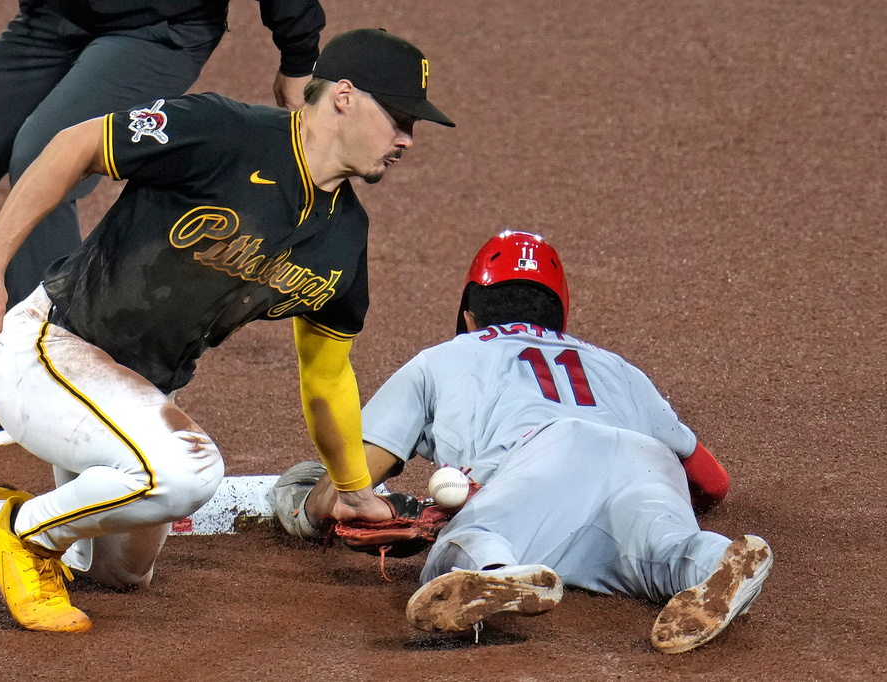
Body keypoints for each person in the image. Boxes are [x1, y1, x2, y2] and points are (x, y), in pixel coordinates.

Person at [0, 27, 455, 633]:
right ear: (343, 96)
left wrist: (355, 489)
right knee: (187, 473)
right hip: (50, 350)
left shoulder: (343, 238)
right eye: (399, 119)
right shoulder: (225, 131)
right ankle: (18, 534)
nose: (406, 140)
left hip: (138, 396)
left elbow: (326, 374)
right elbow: (74, 145)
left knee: (121, 574)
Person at [275, 230, 773, 654]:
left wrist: (307, 506)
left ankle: (496, 569)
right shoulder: (617, 366)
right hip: (646, 461)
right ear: (560, 313)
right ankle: (712, 559)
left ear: (469, 312)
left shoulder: (443, 358)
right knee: (667, 553)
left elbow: (354, 478)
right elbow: (712, 482)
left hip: (542, 462)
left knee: (463, 543)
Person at [0, 0, 327, 447]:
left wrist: (298, 51)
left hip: (158, 26)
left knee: (42, 160)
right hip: (51, 16)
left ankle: (30, 383)